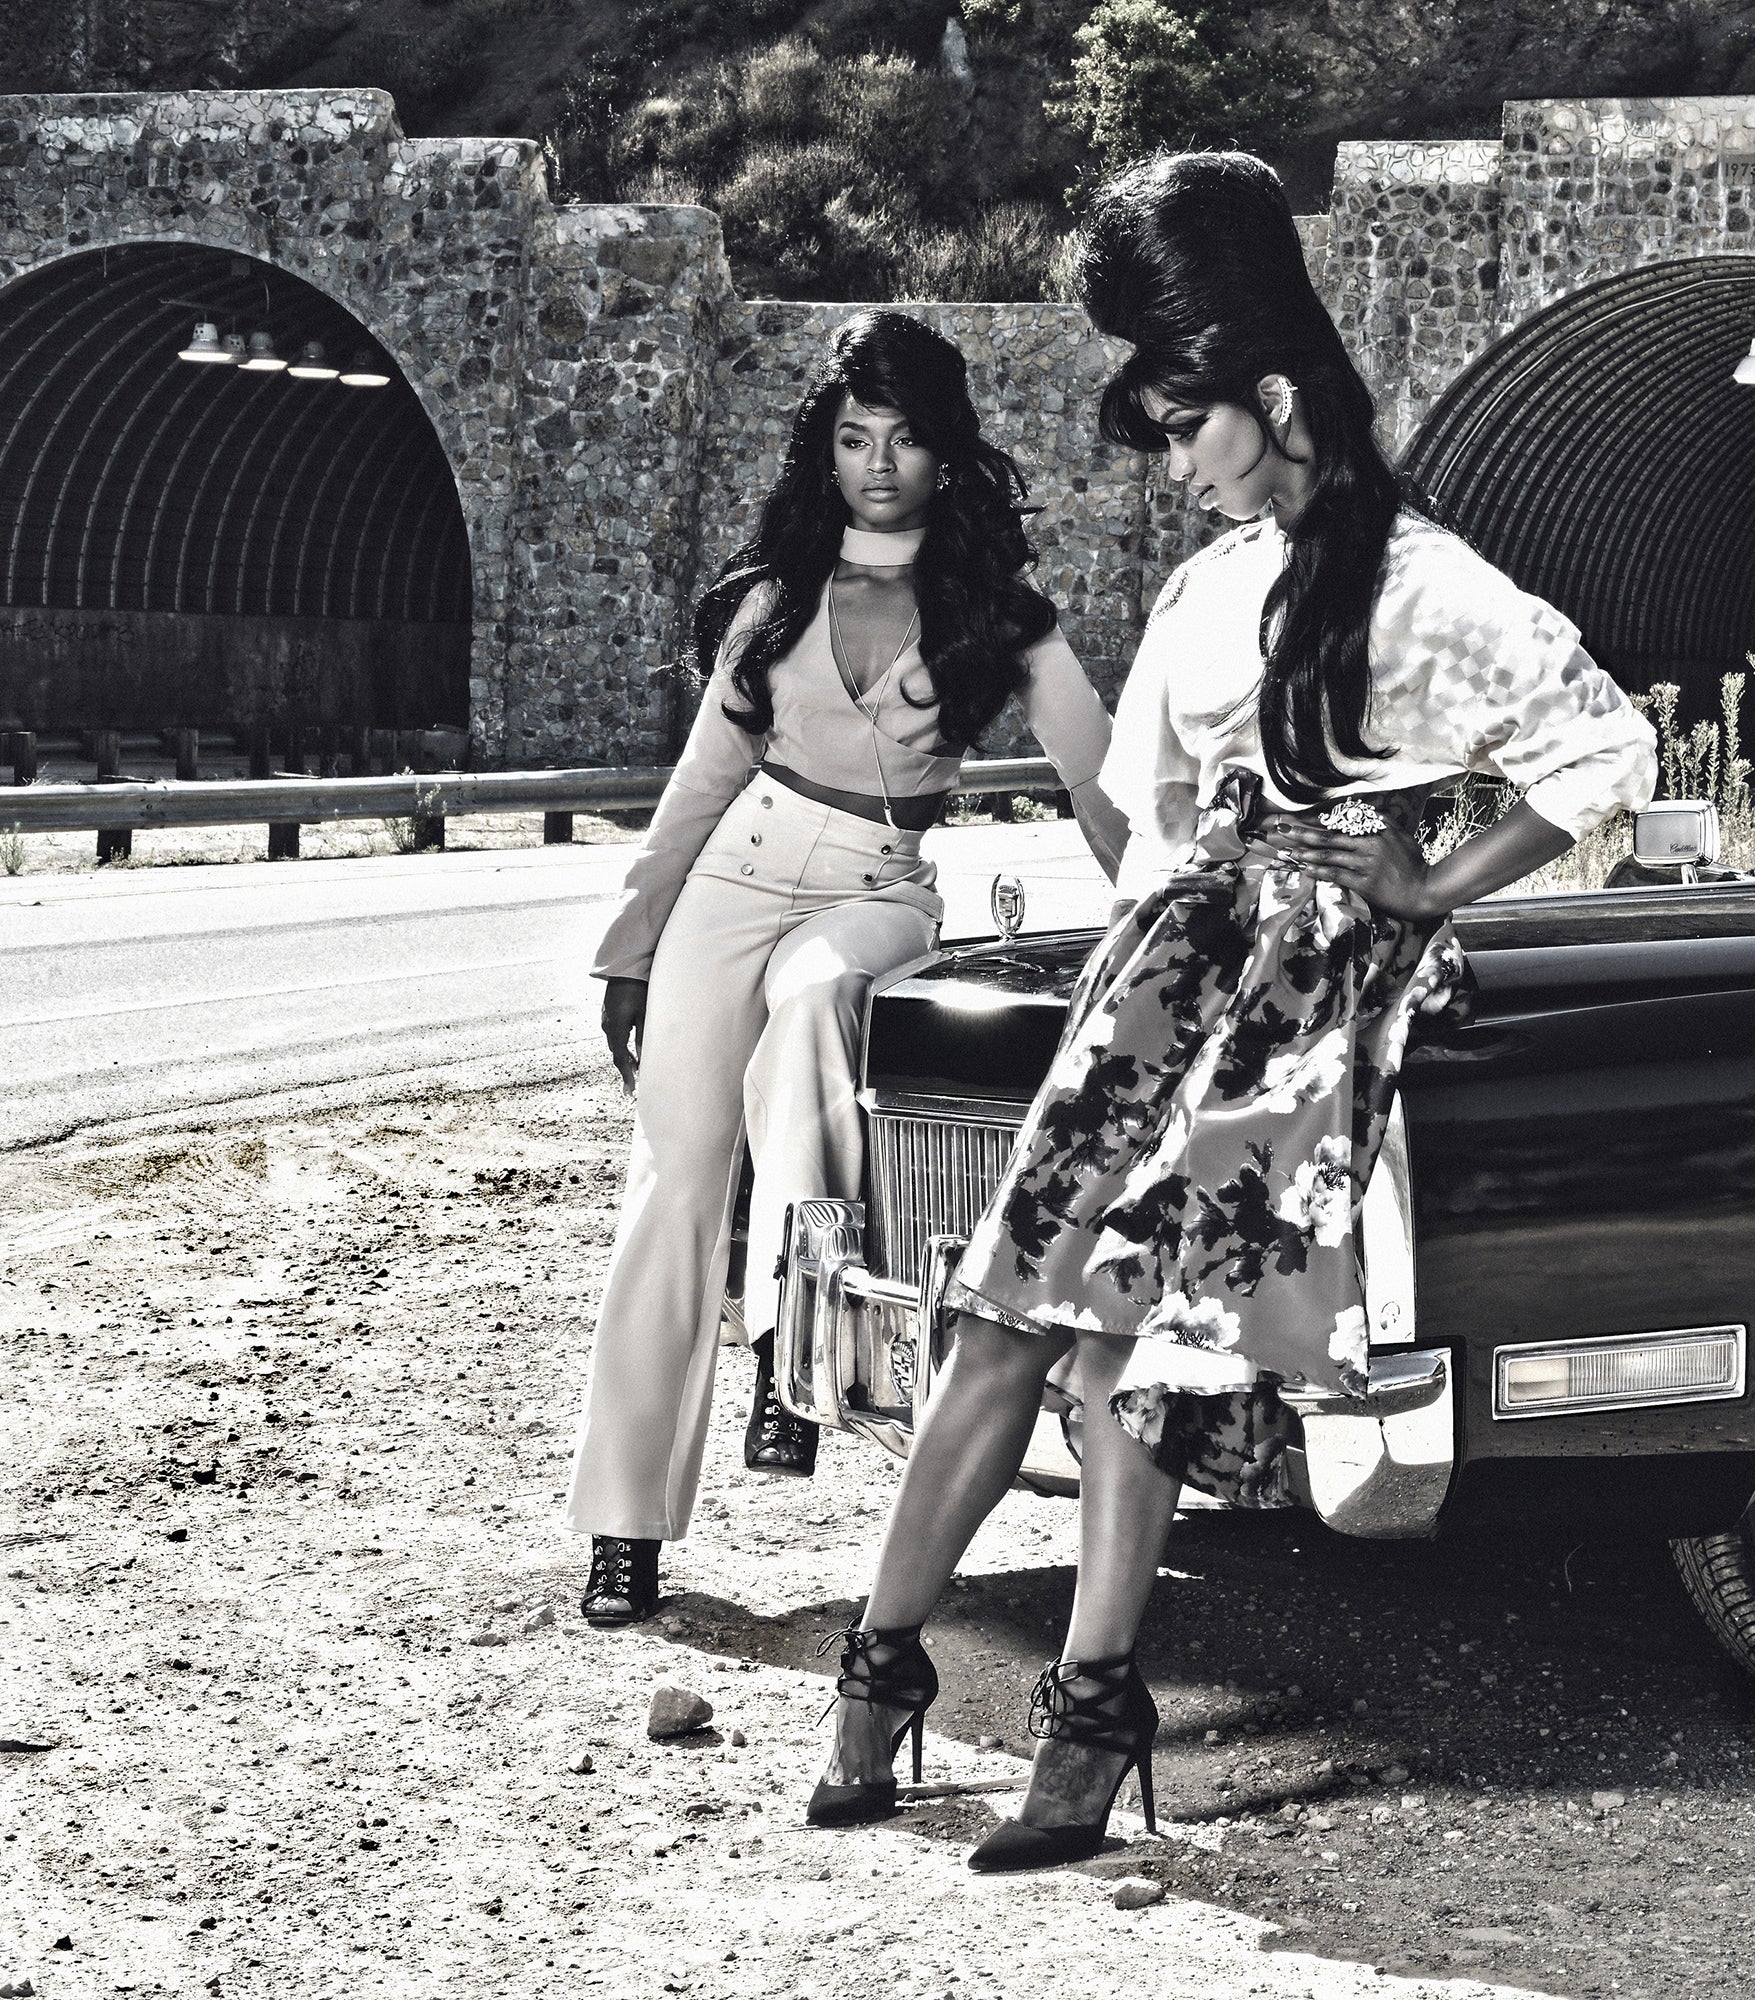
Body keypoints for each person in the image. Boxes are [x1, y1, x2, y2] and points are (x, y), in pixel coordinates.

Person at [801, 152, 1657, 1864]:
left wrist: (1423, 881)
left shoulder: (1423, 582)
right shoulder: (1209, 587)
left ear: (1273, 399)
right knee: (996, 1326)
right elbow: (1140, 819)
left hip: (1299, 1006)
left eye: (1188, 423)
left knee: (1136, 1366)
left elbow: (1604, 746)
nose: (1174, 465)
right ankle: (877, 1685)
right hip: (1166, 970)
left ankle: (1093, 1725)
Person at [564, 310, 1127, 1628]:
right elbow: (704, 781)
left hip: (876, 890)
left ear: (946, 454)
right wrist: (632, 949)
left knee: (816, 1001)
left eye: (906, 438)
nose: (878, 464)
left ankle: (787, 1340)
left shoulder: (1003, 615)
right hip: (733, 873)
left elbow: (1098, 784)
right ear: (826, 448)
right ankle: (624, 1530)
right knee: (673, 1184)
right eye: (855, 436)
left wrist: (1160, 915)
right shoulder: (774, 602)